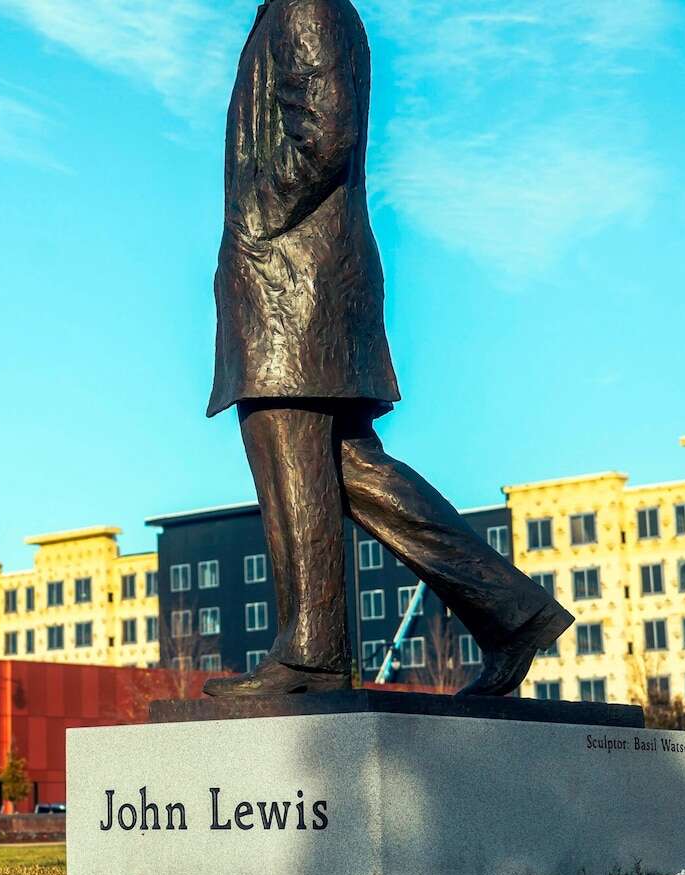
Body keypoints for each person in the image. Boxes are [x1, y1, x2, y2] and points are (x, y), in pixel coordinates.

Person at [202, 0, 572, 697]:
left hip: (294, 281)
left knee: (289, 445)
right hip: (298, 278)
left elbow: (327, 132)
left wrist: (254, 221)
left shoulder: (305, 5)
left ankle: (311, 650)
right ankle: (511, 611)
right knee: (346, 466)